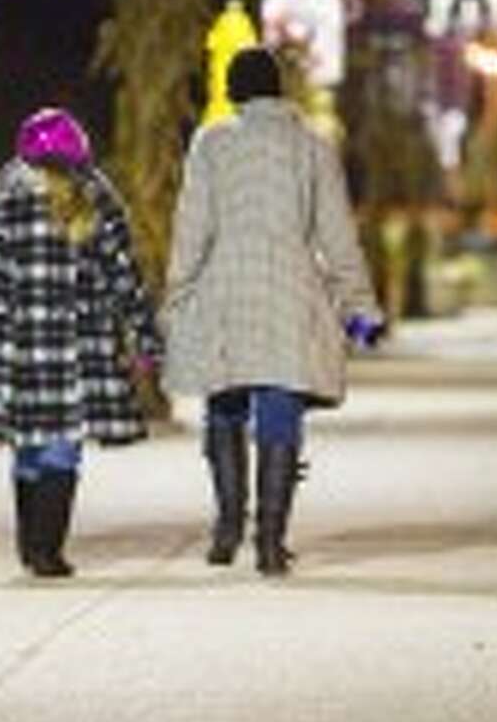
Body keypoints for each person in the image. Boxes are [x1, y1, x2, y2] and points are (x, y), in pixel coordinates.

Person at [162, 45, 383, 577]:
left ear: (234, 91)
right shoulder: (312, 146)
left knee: (225, 404)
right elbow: (337, 235)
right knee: (280, 408)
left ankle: (227, 528)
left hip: (225, 288)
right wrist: (360, 305)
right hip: (290, 291)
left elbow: (192, 227)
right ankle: (269, 540)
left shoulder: (211, 143)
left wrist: (178, 293)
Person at [0, 107, 161, 578]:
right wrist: (145, 339)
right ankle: (47, 550)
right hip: (78, 346)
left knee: (29, 447)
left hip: (17, 346)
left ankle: (31, 546)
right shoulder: (97, 194)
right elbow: (124, 276)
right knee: (63, 447)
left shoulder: (0, 193)